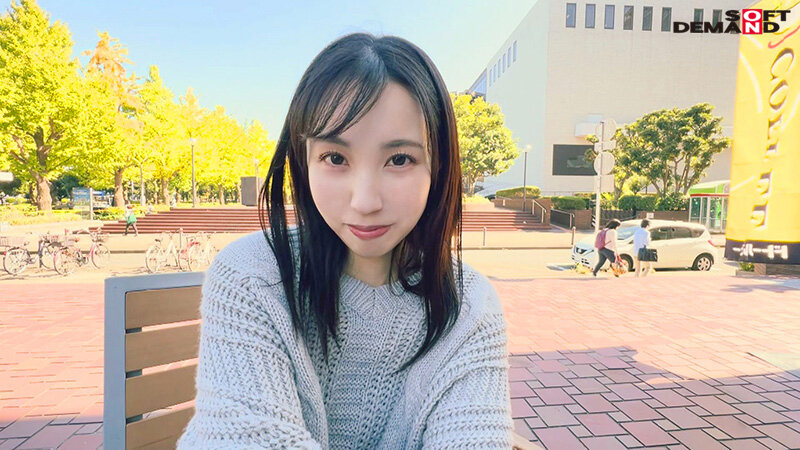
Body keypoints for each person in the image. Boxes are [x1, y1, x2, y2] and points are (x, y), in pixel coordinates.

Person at [178, 33, 513, 449]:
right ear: (304, 162)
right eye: (335, 158)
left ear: (438, 166)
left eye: (400, 159)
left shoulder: (469, 307)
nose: (365, 201)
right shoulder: (251, 277)